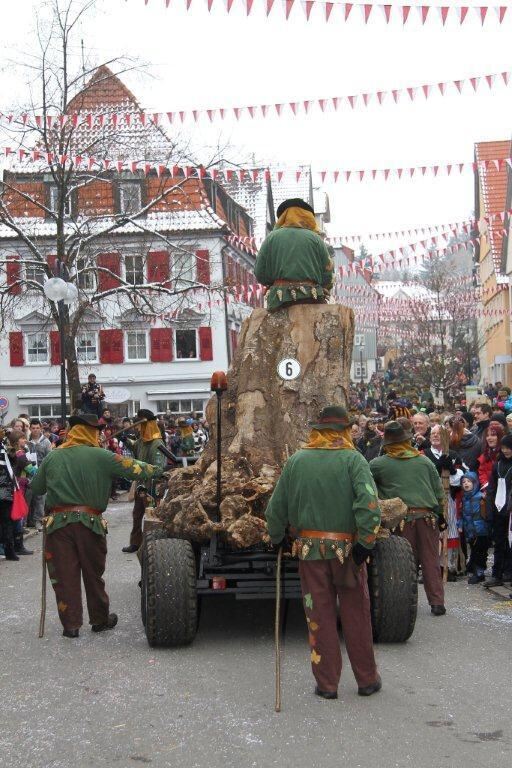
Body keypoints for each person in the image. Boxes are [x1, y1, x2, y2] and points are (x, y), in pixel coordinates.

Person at [265, 405, 382, 700]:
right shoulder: (354, 460)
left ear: (317, 431)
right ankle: (367, 679)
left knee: (319, 615)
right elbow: (369, 505)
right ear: (344, 430)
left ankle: (327, 683)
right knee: (357, 614)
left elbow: (275, 508)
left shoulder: (297, 461)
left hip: (309, 554)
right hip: (348, 553)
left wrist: (278, 537)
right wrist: (365, 543)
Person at [29, 413, 161, 638]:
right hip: (90, 525)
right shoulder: (103, 456)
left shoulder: (53, 456)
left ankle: (71, 625)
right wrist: (160, 469)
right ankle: (99, 620)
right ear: (92, 432)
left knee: (63, 576)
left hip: (58, 526)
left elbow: (38, 488)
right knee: (93, 574)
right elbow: (138, 468)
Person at [369, 420, 447, 616]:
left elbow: (367, 489)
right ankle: (437, 602)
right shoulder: (424, 461)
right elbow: (438, 491)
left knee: (402, 564)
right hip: (428, 517)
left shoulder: (378, 464)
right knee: (431, 561)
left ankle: (402, 604)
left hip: (400, 520)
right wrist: (441, 515)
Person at [254, 198, 334, 312]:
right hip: (312, 298)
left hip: (279, 301)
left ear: (283, 217)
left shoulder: (271, 238)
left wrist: (274, 282)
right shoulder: (316, 239)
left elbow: (260, 273)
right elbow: (328, 274)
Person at [122, 409, 167, 554]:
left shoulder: (157, 444)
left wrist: (143, 470)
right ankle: (135, 542)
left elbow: (159, 468)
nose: (137, 428)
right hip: (141, 485)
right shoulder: (142, 441)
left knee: (151, 516)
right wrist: (125, 440)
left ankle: (152, 543)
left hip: (151, 487)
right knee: (137, 515)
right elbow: (135, 446)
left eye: (140, 425)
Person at [422, 424, 463, 581]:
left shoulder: (452, 454)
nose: (435, 436)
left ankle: (449, 566)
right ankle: (432, 568)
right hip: (430, 499)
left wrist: (452, 471)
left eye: (439, 433)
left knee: (450, 530)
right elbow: (422, 477)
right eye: (433, 433)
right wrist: (437, 468)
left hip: (448, 498)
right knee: (432, 533)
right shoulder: (424, 454)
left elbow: (461, 477)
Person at [484, 434, 512, 588]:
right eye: (504, 447)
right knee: (499, 542)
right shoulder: (498, 464)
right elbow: (491, 489)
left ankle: (509, 571)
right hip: (498, 508)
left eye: (509, 448)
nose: (506, 450)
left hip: (510, 509)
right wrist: (489, 510)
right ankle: (497, 574)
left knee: (510, 542)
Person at [459, 472, 489, 584]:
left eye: (469, 481)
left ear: (475, 483)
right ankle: (474, 568)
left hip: (481, 530)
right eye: (463, 482)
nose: (466, 484)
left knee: (480, 552)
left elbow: (486, 513)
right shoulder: (464, 499)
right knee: (474, 550)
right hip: (470, 530)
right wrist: (460, 525)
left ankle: (480, 573)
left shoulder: (480, 496)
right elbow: (462, 514)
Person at [26, 419, 52, 530]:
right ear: (30, 429)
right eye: (33, 428)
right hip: (28, 473)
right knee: (28, 497)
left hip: (41, 473)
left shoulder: (46, 442)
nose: (35, 430)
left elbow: (49, 458)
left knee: (40, 498)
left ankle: (38, 521)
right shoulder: (27, 441)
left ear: (40, 428)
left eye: (37, 428)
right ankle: (28, 520)